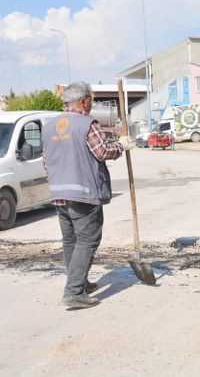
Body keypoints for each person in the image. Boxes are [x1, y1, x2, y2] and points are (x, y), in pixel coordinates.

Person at [42, 82, 134, 309]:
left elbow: (46, 161)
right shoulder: (86, 123)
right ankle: (74, 291)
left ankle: (79, 281)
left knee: (71, 240)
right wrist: (122, 146)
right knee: (88, 239)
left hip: (58, 193)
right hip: (83, 193)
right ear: (83, 101)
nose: (92, 104)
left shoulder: (49, 125)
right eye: (91, 100)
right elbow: (102, 151)